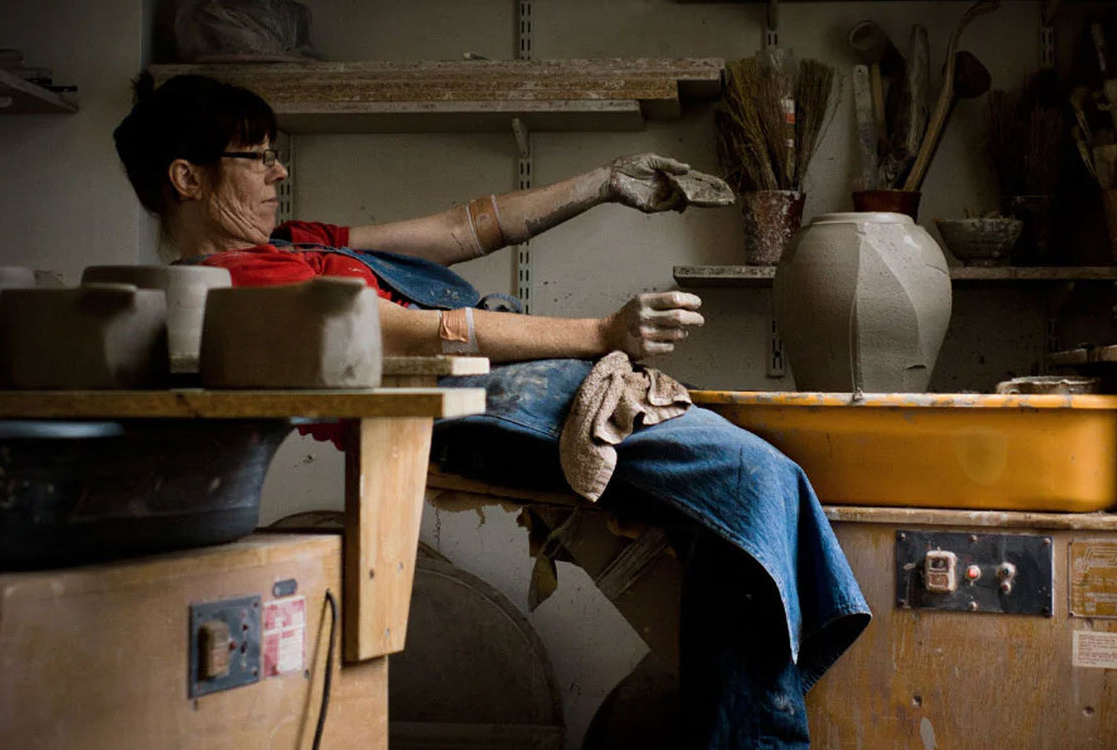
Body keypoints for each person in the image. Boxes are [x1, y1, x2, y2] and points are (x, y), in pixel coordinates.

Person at [115, 73, 868, 748]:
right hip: (455, 416)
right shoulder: (232, 284)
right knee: (757, 480)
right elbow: (415, 334)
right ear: (188, 178)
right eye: (256, 156)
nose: (279, 170)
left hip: (498, 384)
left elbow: (464, 229)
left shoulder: (292, 243)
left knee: (729, 526)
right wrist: (601, 333)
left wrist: (604, 182)